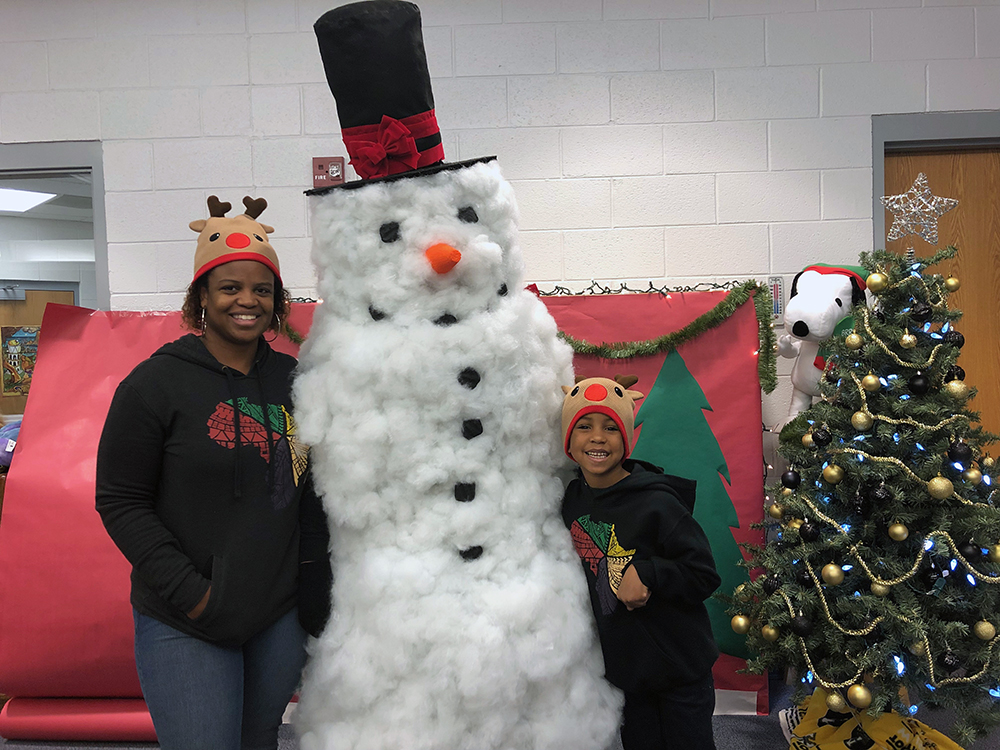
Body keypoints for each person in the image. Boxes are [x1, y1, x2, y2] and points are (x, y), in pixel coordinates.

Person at [96, 196, 330, 750]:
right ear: (202, 296)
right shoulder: (155, 386)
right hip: (185, 616)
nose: (246, 301)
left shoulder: (300, 384)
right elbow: (121, 501)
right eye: (229, 288)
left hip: (277, 615)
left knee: (257, 741)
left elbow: (317, 494)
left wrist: (311, 586)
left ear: (277, 302)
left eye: (262, 289)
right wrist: (193, 595)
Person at [560, 375, 721, 750]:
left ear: (627, 439)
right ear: (569, 441)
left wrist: (648, 573)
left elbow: (703, 574)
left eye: (611, 428)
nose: (597, 438)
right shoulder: (571, 499)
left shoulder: (657, 503)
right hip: (629, 671)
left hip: (679, 666)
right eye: (583, 426)